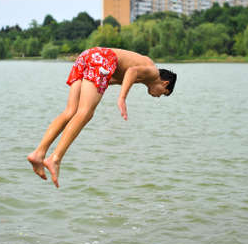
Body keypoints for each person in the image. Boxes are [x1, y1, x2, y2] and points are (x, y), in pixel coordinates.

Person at [27, 47, 177, 188]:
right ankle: (55, 159)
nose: (158, 96)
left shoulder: (142, 76)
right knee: (86, 112)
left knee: (71, 111)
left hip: (87, 57)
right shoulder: (153, 72)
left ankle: (38, 153)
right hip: (103, 59)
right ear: (165, 83)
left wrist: (97, 86)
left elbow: (111, 79)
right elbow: (131, 71)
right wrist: (122, 98)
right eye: (163, 93)